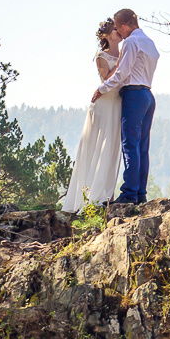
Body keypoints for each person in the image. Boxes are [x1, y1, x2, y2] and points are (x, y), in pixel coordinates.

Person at [92, 7, 159, 205]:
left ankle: (129, 193)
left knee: (130, 145)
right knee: (142, 147)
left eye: (118, 28)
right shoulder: (149, 42)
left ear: (122, 26)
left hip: (134, 95)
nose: (118, 33)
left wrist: (102, 89)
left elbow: (122, 73)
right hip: (148, 94)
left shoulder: (131, 41)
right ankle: (140, 193)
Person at [59, 21, 123, 211]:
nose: (118, 32)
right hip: (103, 106)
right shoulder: (101, 56)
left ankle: (108, 193)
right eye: (114, 30)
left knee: (113, 148)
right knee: (99, 146)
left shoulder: (124, 53)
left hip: (118, 104)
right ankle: (91, 195)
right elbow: (107, 79)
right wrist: (120, 62)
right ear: (106, 36)